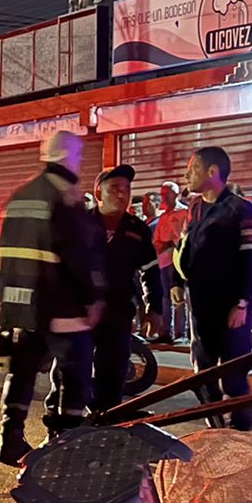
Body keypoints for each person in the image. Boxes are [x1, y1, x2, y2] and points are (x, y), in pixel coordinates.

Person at [0, 129, 104, 466]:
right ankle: (66, 445)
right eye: (79, 156)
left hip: (22, 308)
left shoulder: (20, 196)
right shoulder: (66, 199)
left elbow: (2, 257)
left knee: (21, 373)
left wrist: (5, 311)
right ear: (70, 158)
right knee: (73, 377)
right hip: (62, 307)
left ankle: (10, 440)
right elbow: (76, 258)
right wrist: (91, 300)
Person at [175, 146, 252, 429]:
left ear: (212, 172)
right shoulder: (195, 208)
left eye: (193, 169)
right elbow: (184, 247)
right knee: (203, 373)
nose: (187, 175)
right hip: (200, 305)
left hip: (229, 307)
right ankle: (215, 429)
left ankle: (241, 431)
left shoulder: (240, 208)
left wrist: (241, 302)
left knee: (234, 373)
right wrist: (177, 282)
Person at [77, 164, 155, 413]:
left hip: (118, 312)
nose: (122, 194)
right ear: (99, 194)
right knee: (71, 371)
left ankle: (106, 420)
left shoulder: (137, 229)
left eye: (127, 189)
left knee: (113, 371)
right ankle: (62, 426)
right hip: (80, 312)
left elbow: (150, 269)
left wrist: (154, 306)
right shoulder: (79, 225)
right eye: (115, 189)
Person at [151, 182, 188, 344]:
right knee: (165, 296)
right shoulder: (164, 216)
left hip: (177, 259)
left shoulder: (183, 213)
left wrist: (171, 241)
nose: (164, 196)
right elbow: (157, 239)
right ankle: (165, 331)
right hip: (163, 260)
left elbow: (184, 236)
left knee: (178, 295)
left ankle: (179, 333)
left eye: (167, 193)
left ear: (175, 193)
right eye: (162, 193)